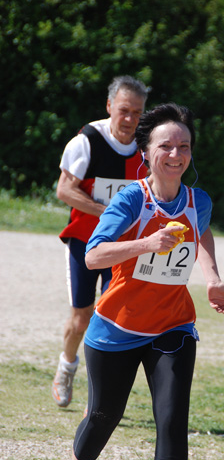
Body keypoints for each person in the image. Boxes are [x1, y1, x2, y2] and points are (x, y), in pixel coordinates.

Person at [55, 102, 224, 460]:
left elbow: (201, 233)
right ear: (147, 152)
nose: (175, 154)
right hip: (117, 327)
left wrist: (213, 278)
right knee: (102, 418)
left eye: (184, 146)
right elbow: (95, 256)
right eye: (165, 146)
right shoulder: (131, 200)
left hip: (173, 326)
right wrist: (146, 242)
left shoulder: (199, 200)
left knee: (173, 418)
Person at [52, 75, 149, 408]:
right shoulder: (87, 141)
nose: (129, 119)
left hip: (120, 248)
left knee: (113, 316)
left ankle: (104, 392)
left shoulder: (147, 149)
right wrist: (106, 211)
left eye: (137, 113)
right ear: (109, 106)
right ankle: (66, 368)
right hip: (83, 241)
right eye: (124, 110)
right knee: (82, 317)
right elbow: (64, 190)